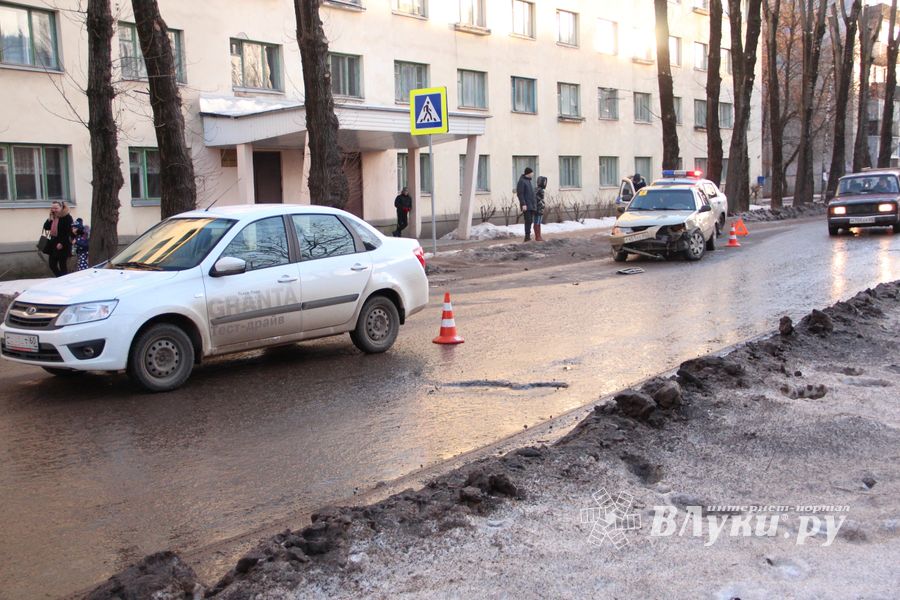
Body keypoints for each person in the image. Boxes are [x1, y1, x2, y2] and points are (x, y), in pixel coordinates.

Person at [43, 201, 74, 277]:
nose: (54, 210)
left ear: (61, 208)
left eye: (56, 208)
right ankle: (60, 279)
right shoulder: (52, 217)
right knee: (52, 265)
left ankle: (65, 281)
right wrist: (42, 244)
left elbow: (69, 232)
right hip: (52, 245)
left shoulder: (67, 217)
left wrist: (62, 243)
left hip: (63, 245)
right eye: (52, 208)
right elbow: (46, 230)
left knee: (62, 266)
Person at [516, 167, 536, 241]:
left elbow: (530, 193)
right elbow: (520, 194)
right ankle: (527, 237)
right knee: (528, 220)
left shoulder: (528, 181)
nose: (533, 174)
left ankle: (528, 235)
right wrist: (523, 204)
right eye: (532, 172)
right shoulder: (522, 181)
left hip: (530, 205)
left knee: (530, 220)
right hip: (526, 205)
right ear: (528, 173)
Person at [533, 175, 547, 241]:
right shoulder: (539, 190)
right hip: (538, 209)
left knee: (538, 222)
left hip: (539, 209)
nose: (545, 184)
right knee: (537, 222)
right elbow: (538, 200)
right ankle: (537, 236)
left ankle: (539, 236)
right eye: (544, 182)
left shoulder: (537, 190)